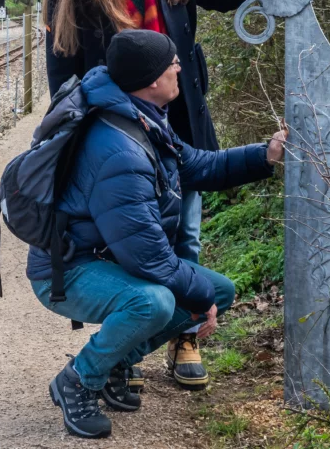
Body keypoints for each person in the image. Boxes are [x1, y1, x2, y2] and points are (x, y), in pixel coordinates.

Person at [43, 0, 256, 384]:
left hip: (179, 119)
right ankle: (125, 345)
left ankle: (185, 341)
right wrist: (77, 144)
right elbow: (61, 81)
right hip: (115, 136)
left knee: (185, 232)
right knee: (125, 240)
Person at [28, 29, 286, 439]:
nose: (180, 67)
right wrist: (195, 296)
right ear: (152, 80)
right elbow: (146, 256)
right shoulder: (118, 150)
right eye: (172, 65)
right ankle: (78, 379)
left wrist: (264, 155)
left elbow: (197, 165)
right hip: (69, 269)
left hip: (103, 255)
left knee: (218, 290)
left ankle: (114, 363)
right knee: (155, 301)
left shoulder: (142, 116)